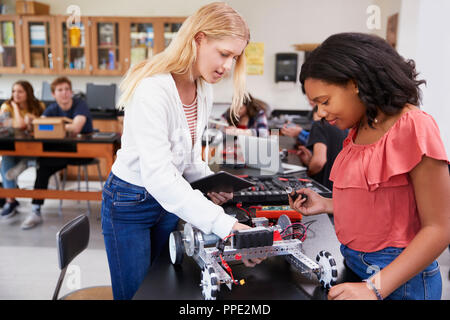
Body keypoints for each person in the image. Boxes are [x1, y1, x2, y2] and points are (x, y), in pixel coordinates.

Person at [101, 2, 262, 300]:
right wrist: (224, 224)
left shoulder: (203, 88)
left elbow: (189, 157)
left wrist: (210, 185)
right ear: (198, 39)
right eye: (224, 53)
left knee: (162, 285)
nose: (228, 66)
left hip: (168, 201)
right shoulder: (153, 89)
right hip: (130, 201)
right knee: (138, 294)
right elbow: (160, 177)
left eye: (234, 57)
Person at [289, 32, 449, 300]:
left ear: (355, 84)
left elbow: (439, 229)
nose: (320, 113)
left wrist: (375, 287)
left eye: (324, 101)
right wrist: (327, 204)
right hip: (356, 267)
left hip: (400, 281)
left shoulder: (414, 126)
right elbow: (381, 202)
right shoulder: (359, 128)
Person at [21, 77, 94, 230]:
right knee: (42, 168)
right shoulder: (52, 108)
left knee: (42, 162)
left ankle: (28, 162)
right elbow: (39, 126)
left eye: (67, 89)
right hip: (59, 153)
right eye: (60, 90)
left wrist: (54, 126)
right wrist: (48, 125)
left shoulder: (80, 105)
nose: (64, 93)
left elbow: (76, 128)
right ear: (54, 94)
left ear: (72, 92)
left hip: (82, 152)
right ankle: (35, 211)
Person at [0, 80, 45, 219]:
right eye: (14, 91)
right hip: (14, 146)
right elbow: (17, 125)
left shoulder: (39, 106)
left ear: (28, 93)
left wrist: (28, 120)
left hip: (35, 147)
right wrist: (16, 108)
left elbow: (42, 125)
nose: (16, 95)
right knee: (6, 160)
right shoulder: (7, 106)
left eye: (20, 91)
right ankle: (10, 200)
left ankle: (28, 162)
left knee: (36, 156)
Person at [295, 106, 348, 190]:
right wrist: (309, 161)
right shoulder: (344, 128)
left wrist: (307, 174)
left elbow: (319, 162)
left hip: (323, 189)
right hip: (338, 188)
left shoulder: (319, 125)